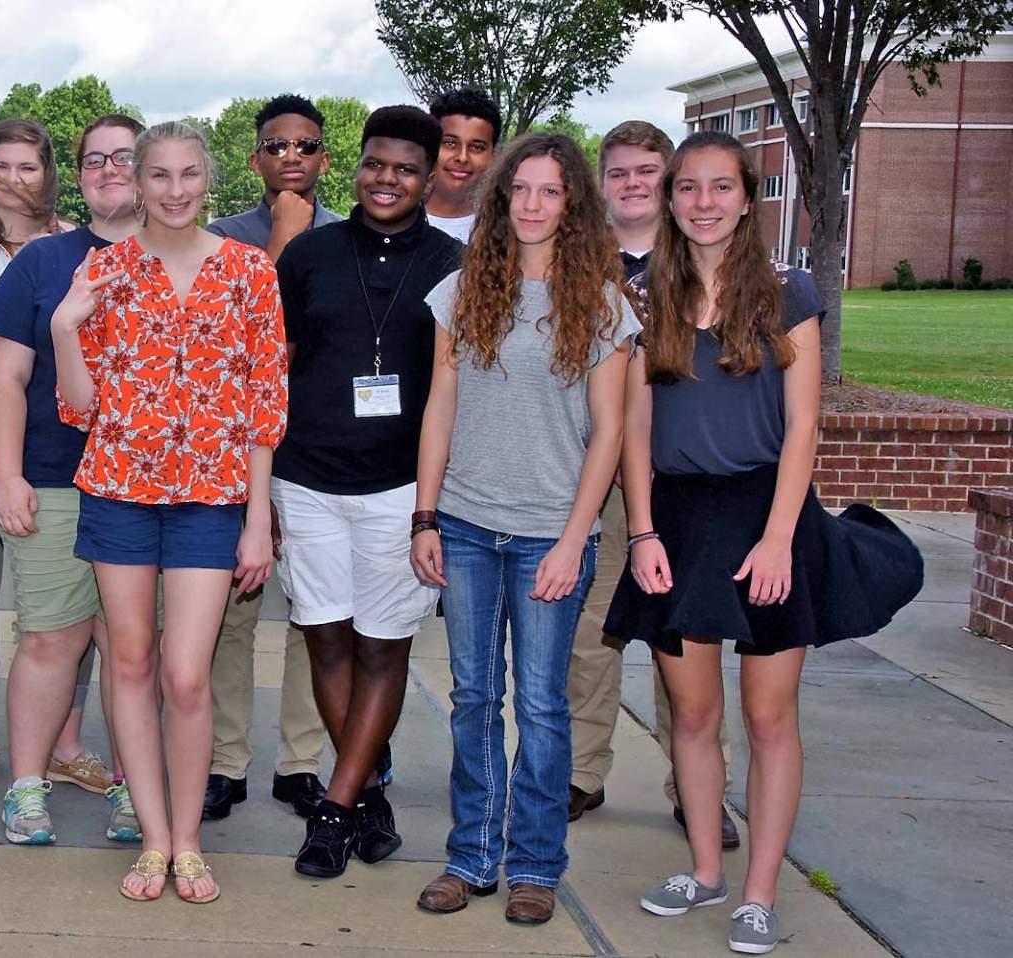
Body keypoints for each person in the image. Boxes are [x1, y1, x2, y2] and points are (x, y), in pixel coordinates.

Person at [609, 132, 921, 956]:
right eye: (688, 188)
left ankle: (757, 893)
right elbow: (634, 428)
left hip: (768, 518)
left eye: (721, 187)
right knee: (694, 712)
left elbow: (805, 425)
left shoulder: (790, 292)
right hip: (675, 522)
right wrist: (641, 530)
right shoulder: (642, 296)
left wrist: (783, 537)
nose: (703, 202)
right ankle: (706, 869)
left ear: (749, 198)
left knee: (768, 716)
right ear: (670, 199)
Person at [52, 120, 287, 904]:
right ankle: (153, 838)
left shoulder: (251, 272)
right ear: (138, 180)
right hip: (119, 490)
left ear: (208, 179)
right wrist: (65, 325)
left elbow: (264, 404)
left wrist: (258, 517)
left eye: (189, 175)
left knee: (187, 677)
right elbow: (79, 409)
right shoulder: (107, 272)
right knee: (130, 662)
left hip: (213, 500)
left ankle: (190, 838)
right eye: (160, 175)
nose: (176, 190)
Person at [410, 133, 639, 924]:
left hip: (551, 532)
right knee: (474, 698)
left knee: (542, 704)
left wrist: (575, 540)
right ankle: (471, 855)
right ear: (502, 201)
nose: (534, 204)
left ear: (573, 203)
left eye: (550, 191)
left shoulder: (605, 303)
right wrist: (426, 515)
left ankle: (535, 864)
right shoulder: (465, 289)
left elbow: (609, 432)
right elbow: (441, 405)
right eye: (522, 191)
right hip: (468, 526)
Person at [273, 106, 463, 878]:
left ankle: (333, 809)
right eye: (376, 164)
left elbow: (456, 389)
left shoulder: (454, 263)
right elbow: (274, 371)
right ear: (358, 167)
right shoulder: (311, 254)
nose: (388, 180)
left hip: (398, 486)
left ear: (430, 176)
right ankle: (368, 790)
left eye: (406, 169)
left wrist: (430, 504)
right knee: (326, 637)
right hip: (308, 479)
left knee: (383, 647)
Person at [564, 120, 740, 848]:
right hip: (599, 476)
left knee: (688, 635)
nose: (633, 185)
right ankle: (579, 772)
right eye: (620, 173)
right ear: (602, 185)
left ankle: (695, 788)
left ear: (666, 183)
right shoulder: (581, 263)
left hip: (682, 478)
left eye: (647, 172)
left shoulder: (701, 258)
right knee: (593, 629)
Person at [0, 114, 147, 845]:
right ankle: (26, 788)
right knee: (51, 637)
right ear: (77, 174)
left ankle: (135, 787)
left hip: (152, 491)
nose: (109, 169)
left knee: (131, 645)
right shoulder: (43, 263)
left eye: (125, 157)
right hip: (54, 480)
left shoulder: (187, 261)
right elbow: (6, 380)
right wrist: (6, 477)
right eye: (94, 159)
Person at [0, 119, 108, 799]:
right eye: (0, 165)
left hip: (54, 438)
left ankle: (65, 742)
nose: (14, 179)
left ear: (50, 173)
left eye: (29, 166)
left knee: (69, 610)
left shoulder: (73, 245)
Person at [202, 93, 340, 820]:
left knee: (312, 614)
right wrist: (285, 236)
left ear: (324, 158)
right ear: (256, 159)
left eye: (306, 146)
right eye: (277, 146)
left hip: (316, 451)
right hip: (235, 450)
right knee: (231, 614)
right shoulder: (223, 239)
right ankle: (225, 761)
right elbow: (243, 337)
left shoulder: (350, 235)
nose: (292, 157)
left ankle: (301, 762)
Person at [423, 88, 501, 243]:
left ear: (494, 157)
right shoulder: (394, 222)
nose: (462, 157)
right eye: (450, 143)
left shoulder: (500, 236)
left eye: (477, 147)